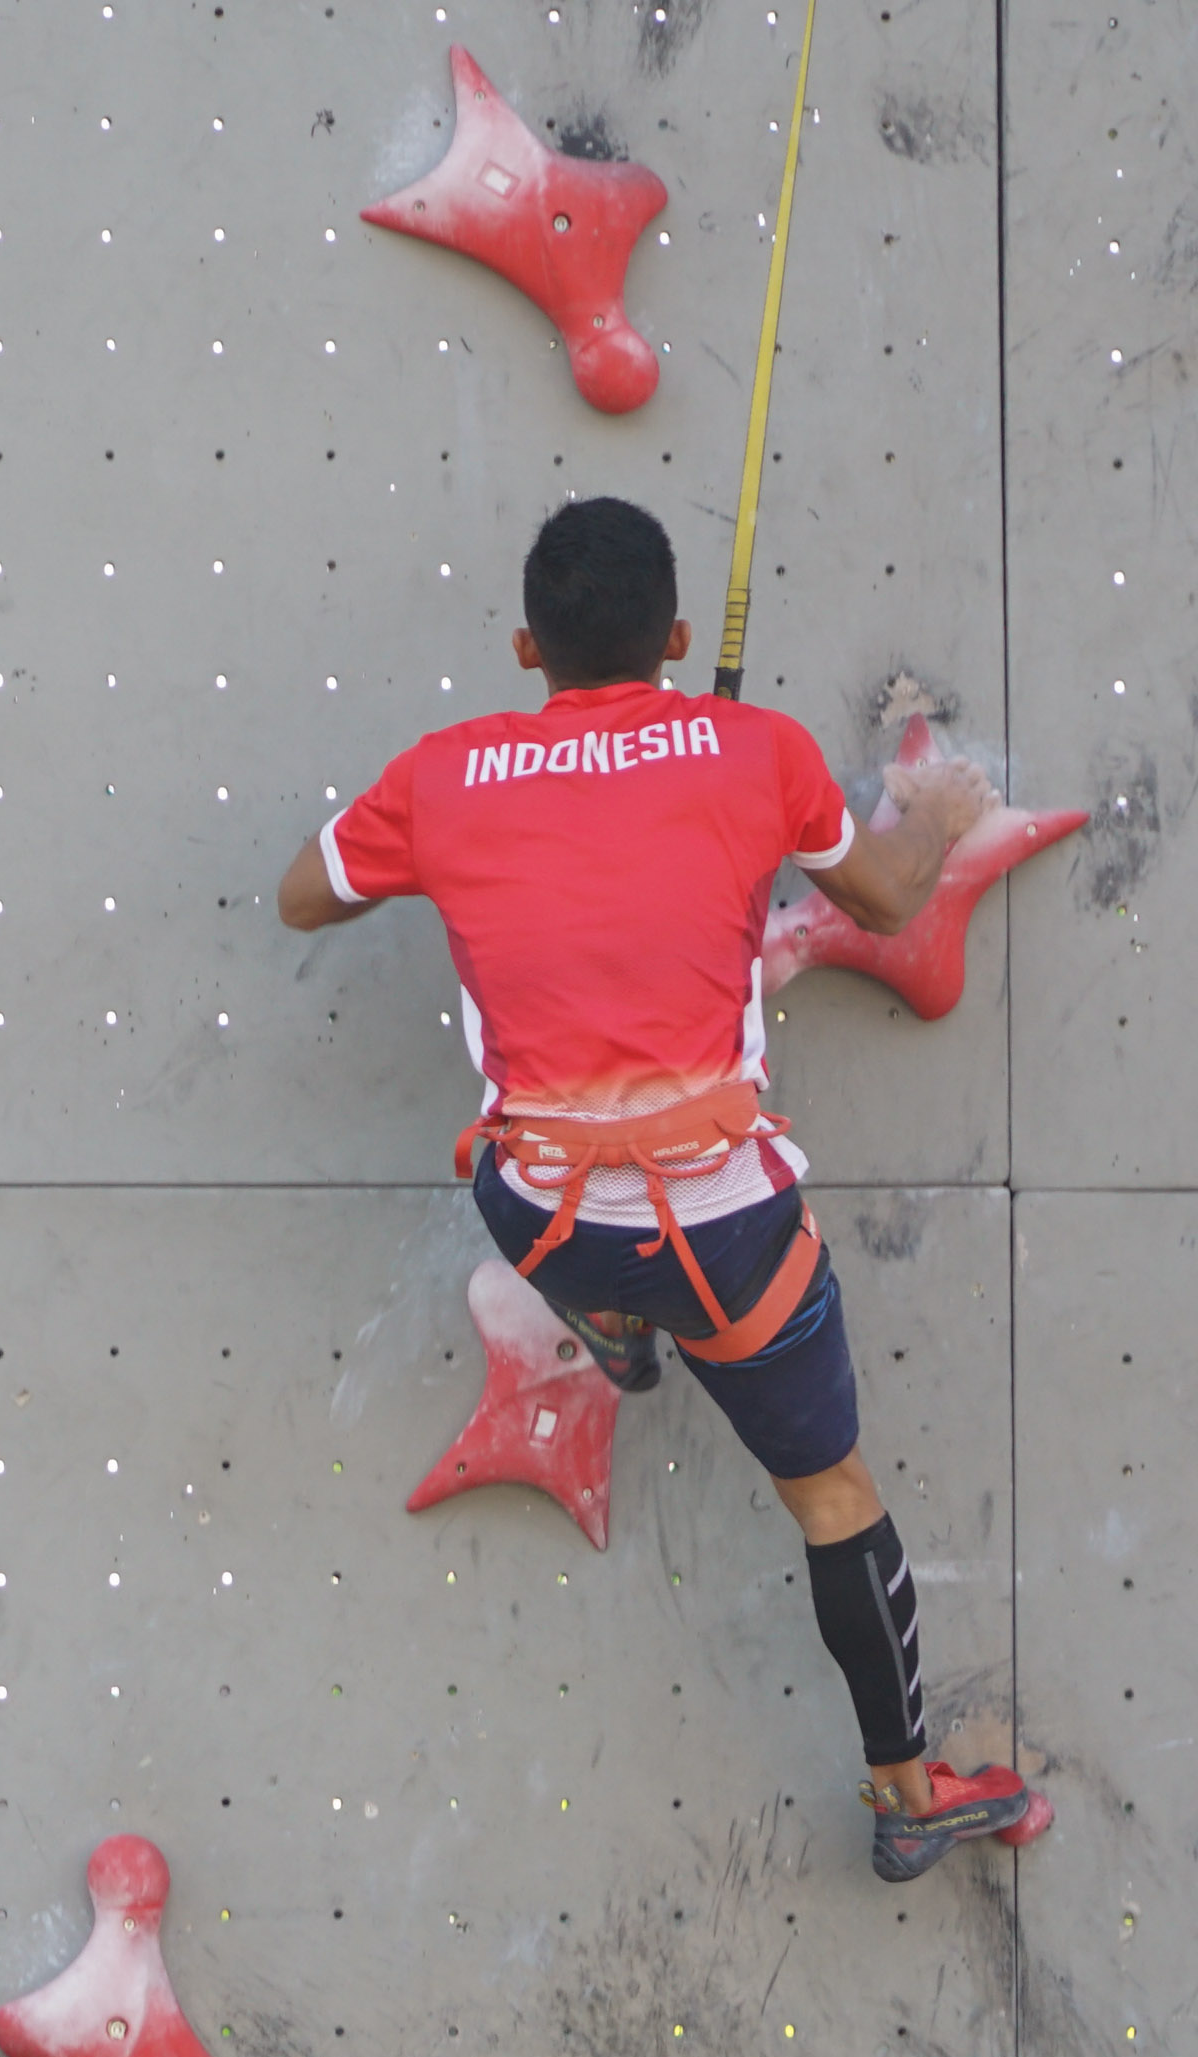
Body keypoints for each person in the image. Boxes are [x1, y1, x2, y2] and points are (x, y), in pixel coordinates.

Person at [275, 495, 1048, 1881]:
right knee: (832, 1496)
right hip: (724, 1238)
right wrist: (932, 821)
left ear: (529, 645)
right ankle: (908, 1790)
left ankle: (618, 1334)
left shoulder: (442, 774)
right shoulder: (753, 753)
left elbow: (303, 898)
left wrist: (465, 851)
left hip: (540, 1206)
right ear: (679, 637)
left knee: (559, 1221)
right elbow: (876, 900)